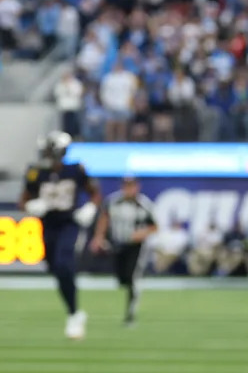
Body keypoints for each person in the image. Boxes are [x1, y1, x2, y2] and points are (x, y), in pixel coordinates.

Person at [19, 131, 100, 339]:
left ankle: (73, 314)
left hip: (68, 223)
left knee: (64, 264)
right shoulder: (36, 172)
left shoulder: (75, 170)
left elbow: (95, 193)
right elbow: (23, 200)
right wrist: (30, 206)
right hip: (48, 225)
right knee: (55, 268)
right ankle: (75, 312)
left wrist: (89, 207)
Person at [89, 175, 157, 325]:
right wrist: (98, 237)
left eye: (131, 186)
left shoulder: (144, 204)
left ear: (137, 187)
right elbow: (104, 218)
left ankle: (130, 314)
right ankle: (130, 302)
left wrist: (140, 234)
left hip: (136, 246)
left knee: (133, 278)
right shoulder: (113, 201)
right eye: (126, 186)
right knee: (122, 278)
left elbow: (154, 226)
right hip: (118, 243)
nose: (128, 189)